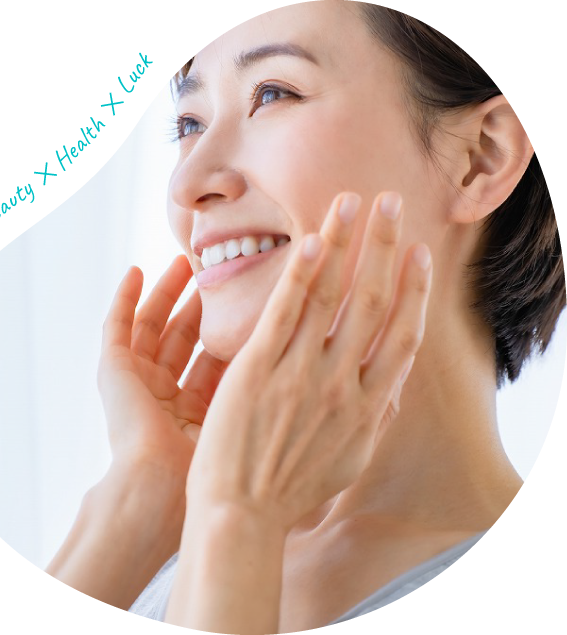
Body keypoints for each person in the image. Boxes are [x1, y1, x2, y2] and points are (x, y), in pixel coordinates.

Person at [45, 1, 564, 631]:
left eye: (272, 93)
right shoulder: (179, 549)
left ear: (480, 156)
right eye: (189, 122)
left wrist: (240, 516)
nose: (188, 184)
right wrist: (141, 496)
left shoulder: (231, 528)